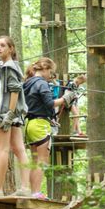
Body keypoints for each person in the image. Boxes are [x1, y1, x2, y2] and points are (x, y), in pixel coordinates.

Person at [23, 58, 79, 199]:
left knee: (36, 161)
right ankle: (36, 192)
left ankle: (33, 192)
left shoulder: (27, 83)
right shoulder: (41, 83)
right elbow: (50, 104)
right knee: (42, 160)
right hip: (40, 125)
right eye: (51, 72)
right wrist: (67, 97)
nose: (51, 76)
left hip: (30, 124)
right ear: (45, 69)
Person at [0, 36, 31, 199]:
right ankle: (25, 187)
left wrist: (9, 115)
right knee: (20, 150)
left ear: (11, 49)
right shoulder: (11, 66)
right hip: (13, 115)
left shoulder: (8, 67)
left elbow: (15, 90)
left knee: (3, 150)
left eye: (2, 45)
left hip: (5, 114)